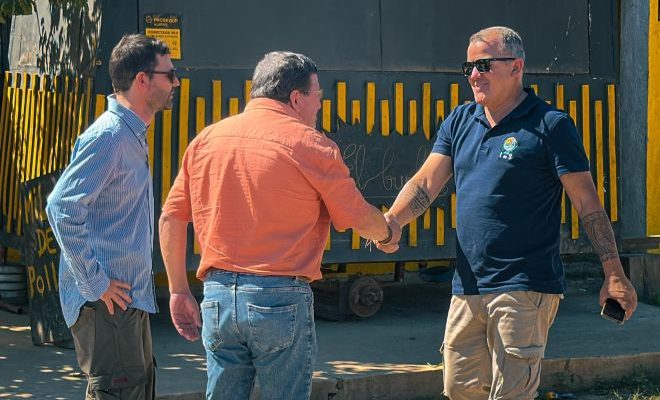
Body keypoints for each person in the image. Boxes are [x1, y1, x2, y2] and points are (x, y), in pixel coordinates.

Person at [377, 26, 637, 399]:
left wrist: (614, 274)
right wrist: (393, 222)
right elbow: (425, 183)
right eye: (467, 67)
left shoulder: (550, 125)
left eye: (483, 64)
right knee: (459, 389)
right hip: (467, 286)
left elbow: (588, 205)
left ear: (516, 67)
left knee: (511, 395)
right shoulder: (460, 121)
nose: (473, 75)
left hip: (524, 285)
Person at [159, 51, 396, 399]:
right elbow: (357, 216)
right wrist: (388, 233)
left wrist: (178, 290)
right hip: (279, 298)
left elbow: (171, 217)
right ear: (297, 98)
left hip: (218, 296)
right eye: (318, 97)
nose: (319, 106)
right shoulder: (311, 144)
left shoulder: (207, 140)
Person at [46, 33, 180, 400]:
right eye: (169, 74)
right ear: (142, 80)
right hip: (107, 303)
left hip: (123, 299)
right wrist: (96, 282)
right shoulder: (110, 136)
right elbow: (61, 206)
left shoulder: (131, 134)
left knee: (135, 388)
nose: (177, 82)